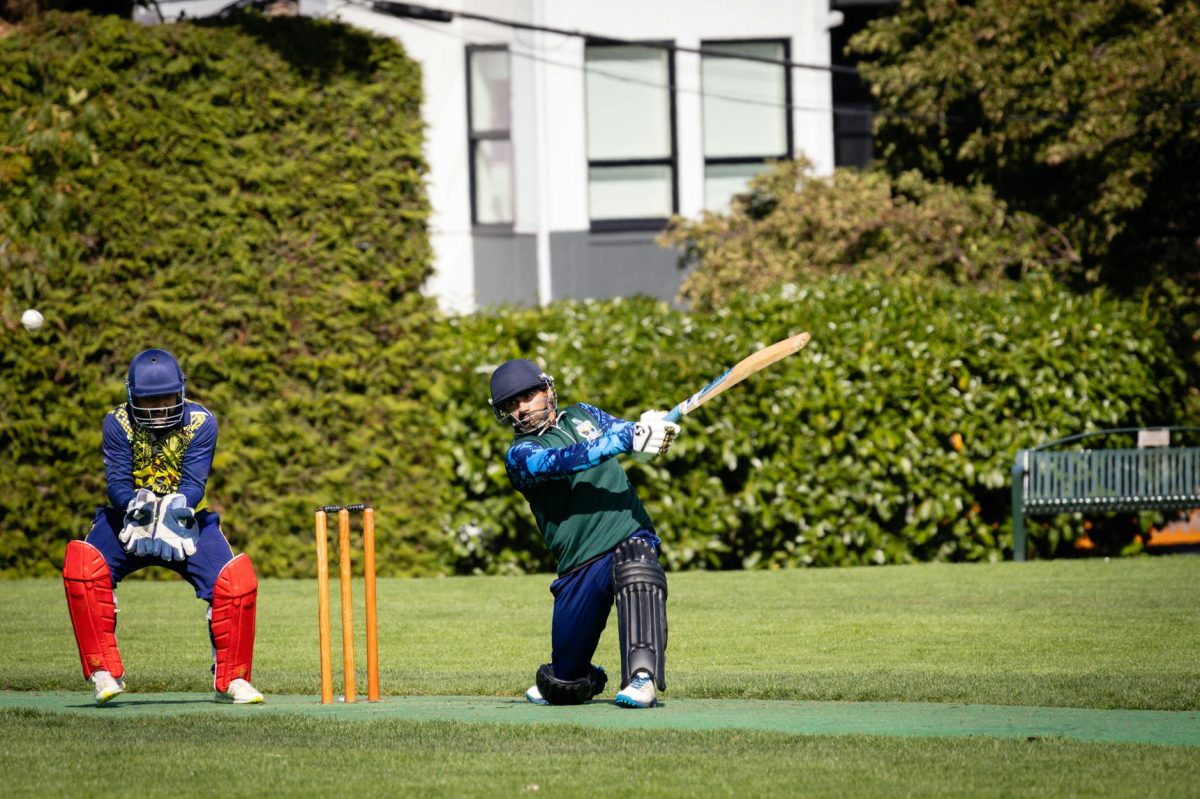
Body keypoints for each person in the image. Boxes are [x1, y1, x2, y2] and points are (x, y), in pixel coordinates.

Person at [62, 348, 263, 705]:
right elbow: (117, 482)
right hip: (130, 518)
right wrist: (134, 506)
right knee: (83, 568)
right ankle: (102, 673)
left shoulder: (201, 423)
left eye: (166, 398)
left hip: (181, 518)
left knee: (235, 583)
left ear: (181, 391)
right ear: (131, 396)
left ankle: (232, 679)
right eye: (148, 400)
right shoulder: (117, 422)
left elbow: (194, 481)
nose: (158, 409)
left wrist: (178, 505)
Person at [488, 358, 680, 709]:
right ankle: (585, 676)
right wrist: (626, 437)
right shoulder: (520, 455)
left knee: (639, 566)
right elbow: (566, 459)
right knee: (561, 685)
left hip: (627, 532)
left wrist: (652, 432)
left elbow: (631, 440)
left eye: (528, 396)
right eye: (511, 405)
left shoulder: (585, 414)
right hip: (578, 565)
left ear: (547, 390)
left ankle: (642, 678)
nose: (522, 408)